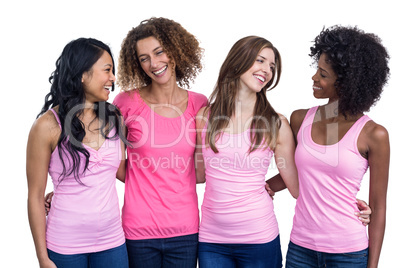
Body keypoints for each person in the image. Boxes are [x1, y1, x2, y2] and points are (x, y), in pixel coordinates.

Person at [270, 26, 390, 267]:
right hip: (300, 249)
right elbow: (295, 173)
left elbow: (377, 208)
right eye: (317, 69)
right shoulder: (299, 119)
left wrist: (373, 265)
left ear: (346, 82)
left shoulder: (374, 134)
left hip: (348, 253)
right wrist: (258, 186)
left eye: (323, 74)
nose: (315, 77)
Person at [194, 35, 299, 268]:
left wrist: (344, 201)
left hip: (259, 239)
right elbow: (200, 174)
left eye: (272, 66)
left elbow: (297, 187)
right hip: (212, 240)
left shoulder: (275, 123)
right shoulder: (204, 117)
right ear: (237, 61)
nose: (267, 70)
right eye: (260, 61)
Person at [112, 17, 207, 268]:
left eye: (159, 52)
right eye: (144, 58)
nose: (153, 64)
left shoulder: (200, 104)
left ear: (175, 50)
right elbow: (109, 161)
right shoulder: (125, 102)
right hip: (138, 231)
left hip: (185, 231)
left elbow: (202, 170)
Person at [27, 38, 129, 268]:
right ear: (83, 74)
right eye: (107, 70)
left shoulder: (115, 118)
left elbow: (123, 173)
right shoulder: (46, 126)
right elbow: (35, 196)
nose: (113, 78)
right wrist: (43, 258)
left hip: (112, 242)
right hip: (65, 246)